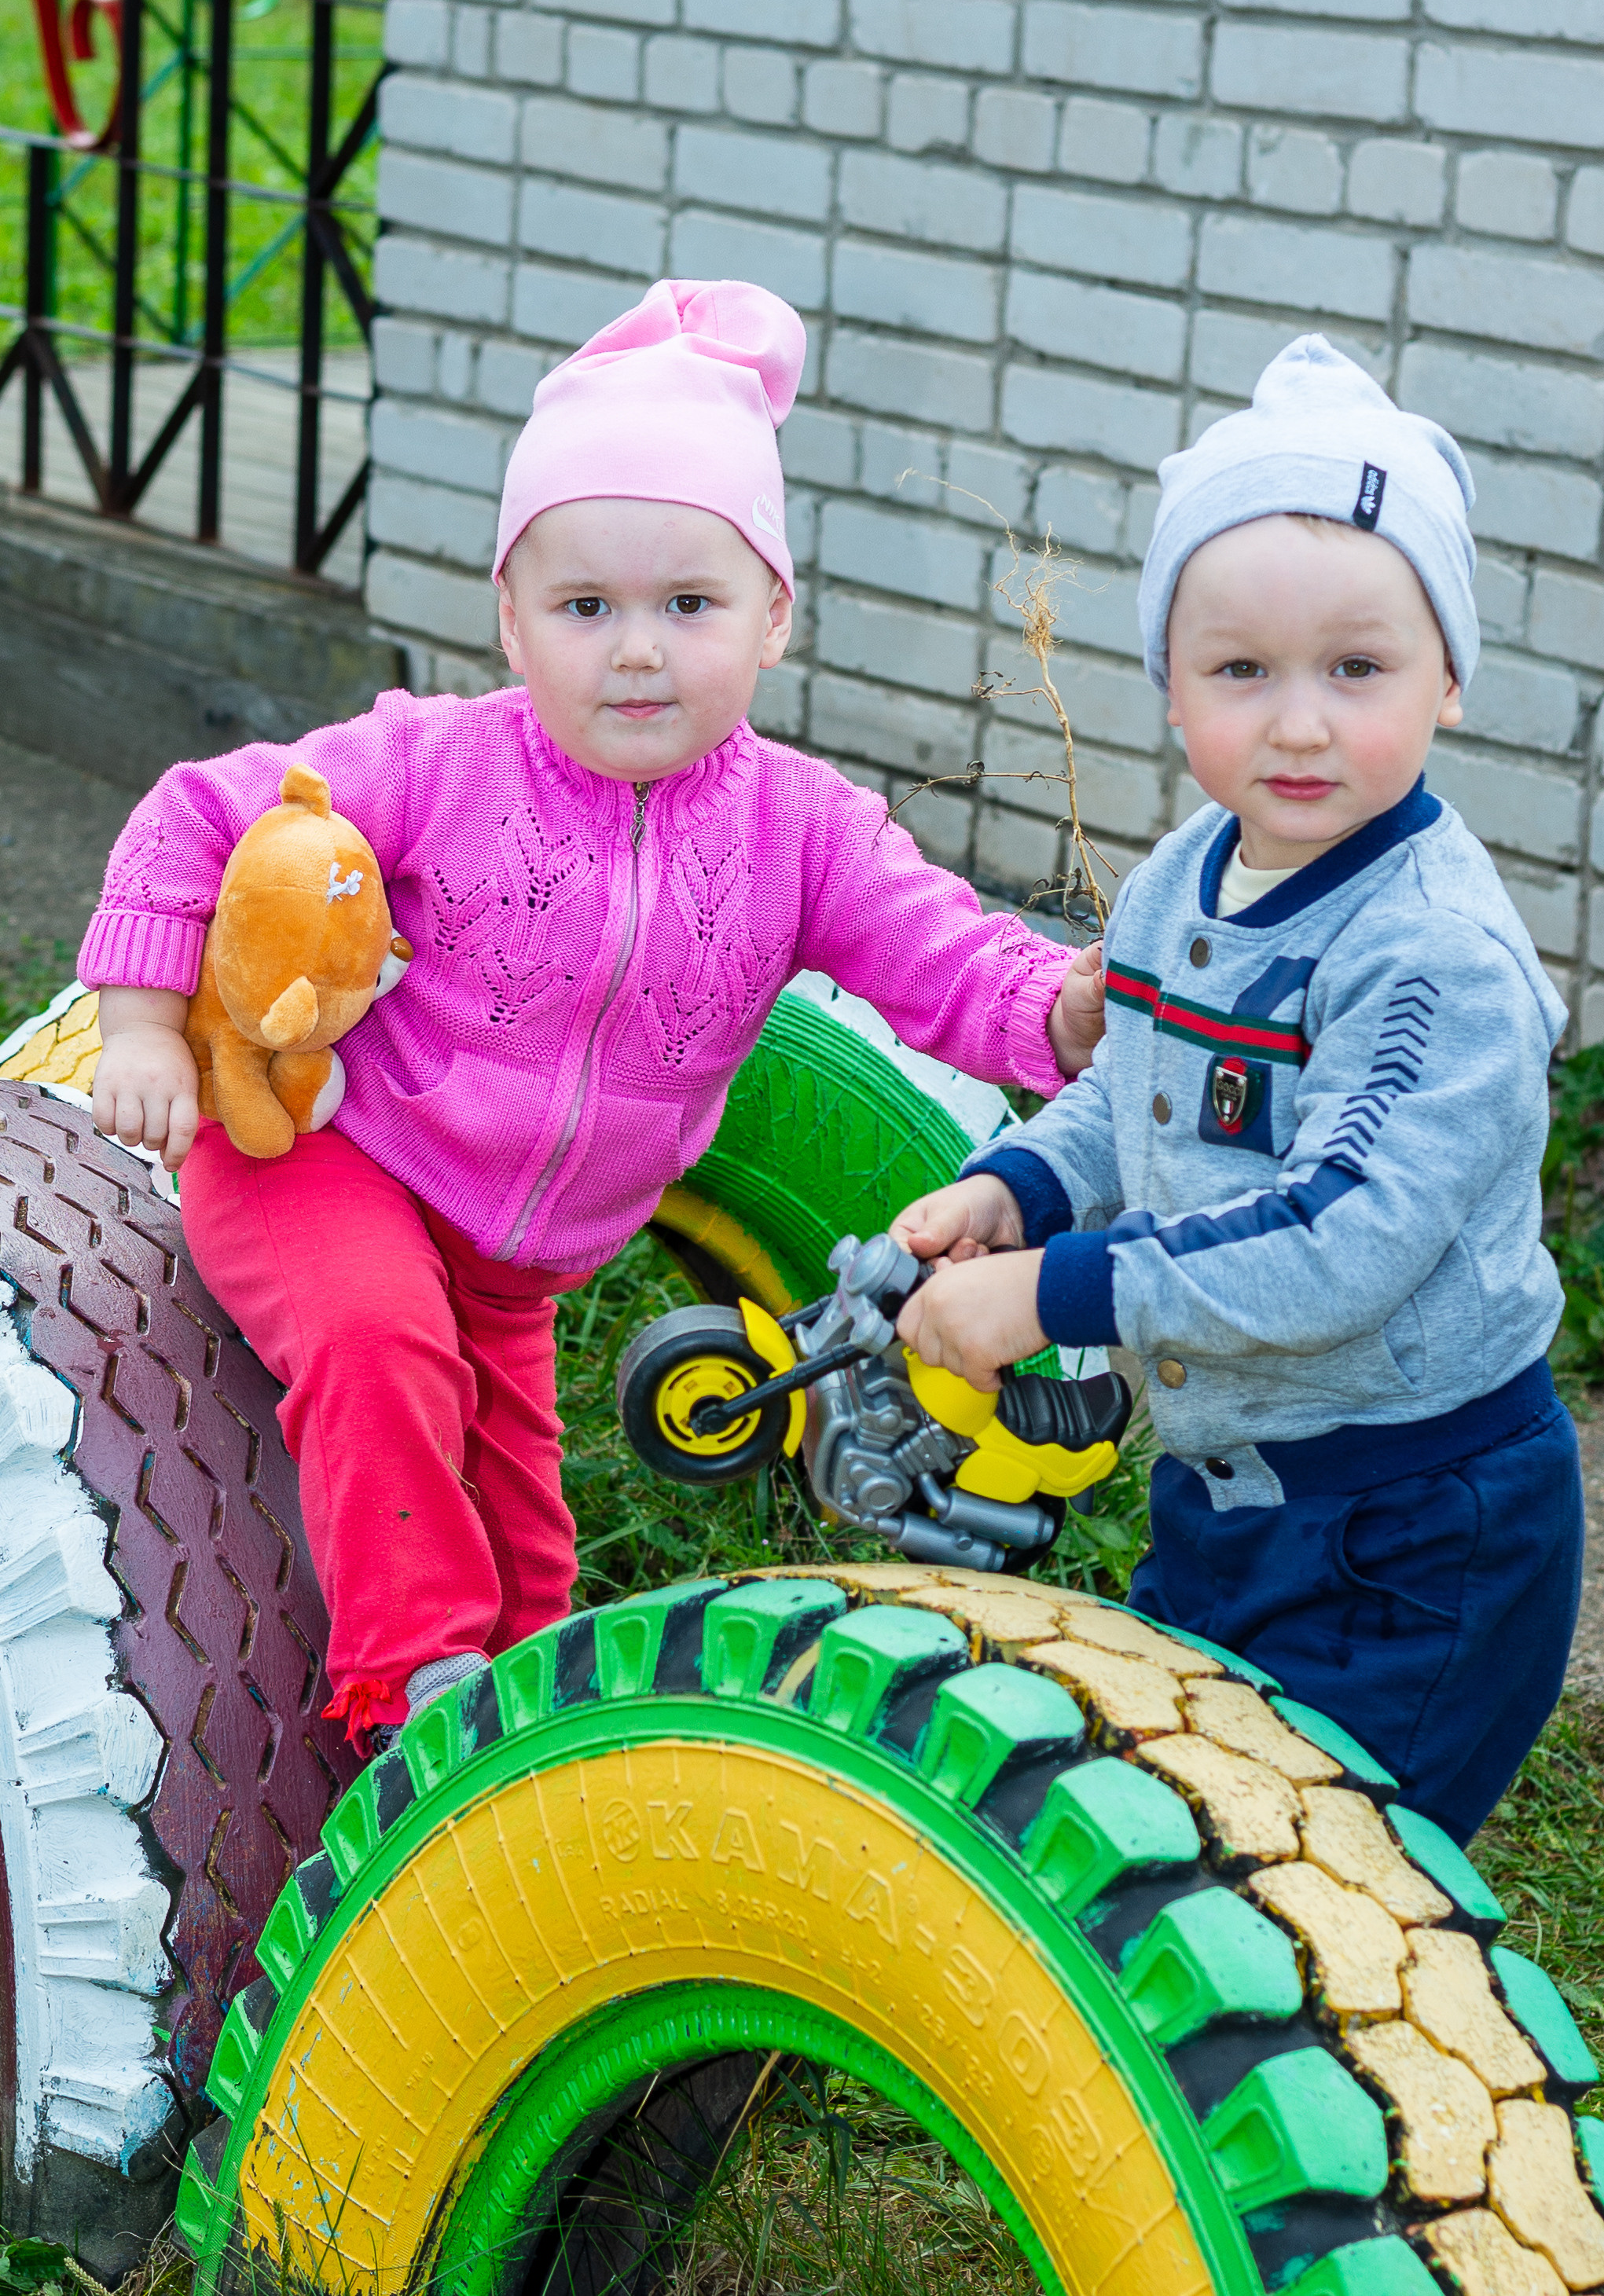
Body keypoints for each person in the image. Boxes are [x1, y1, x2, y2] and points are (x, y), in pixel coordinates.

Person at [83, 277, 1106, 1750]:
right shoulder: (436, 762)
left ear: (773, 616)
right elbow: (197, 813)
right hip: (328, 1154)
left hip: (515, 1270)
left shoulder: (801, 830)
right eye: (584, 607)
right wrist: (135, 1024)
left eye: (688, 604)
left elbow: (938, 950)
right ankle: (407, 1701)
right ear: (511, 620)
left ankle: (531, 1751)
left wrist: (1057, 1010)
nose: (635, 649)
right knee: (380, 1344)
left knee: (532, 1563)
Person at [892, 334, 1582, 1846]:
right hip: (1228, 1489)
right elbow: (1134, 1094)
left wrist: (1052, 1291)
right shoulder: (1179, 880)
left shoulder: (1430, 957)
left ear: (1449, 679)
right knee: (1196, 1840)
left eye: (1356, 668)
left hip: (1414, 1526)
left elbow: (1337, 1241)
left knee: (1341, 1888)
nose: (1297, 721)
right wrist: (1021, 1186)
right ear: (1170, 688)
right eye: (1240, 671)